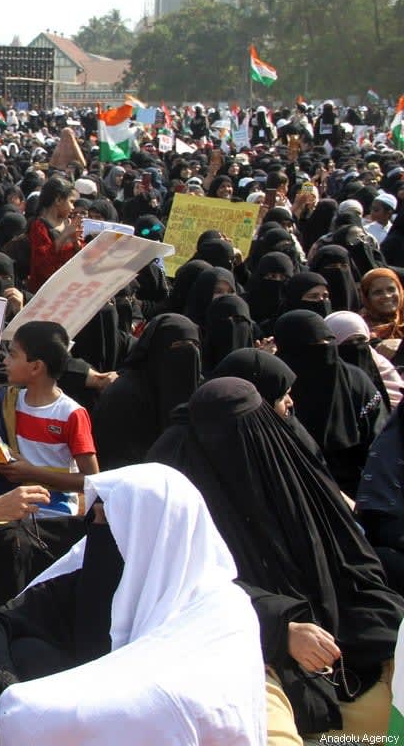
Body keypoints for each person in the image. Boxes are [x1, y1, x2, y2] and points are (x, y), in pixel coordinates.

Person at [148, 379, 403, 740]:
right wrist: (281, 629)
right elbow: (186, 586)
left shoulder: (297, 478)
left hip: (343, 643)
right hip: (247, 652)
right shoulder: (184, 492)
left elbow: (357, 570)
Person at [0, 463, 266, 746]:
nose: (96, 528)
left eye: (108, 521)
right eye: (96, 517)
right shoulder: (91, 576)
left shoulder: (223, 614)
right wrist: (5, 690)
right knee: (28, 651)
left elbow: (159, 709)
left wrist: (29, 710)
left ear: (153, 534)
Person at [0, 321, 98, 515]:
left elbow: (91, 481)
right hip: (10, 511)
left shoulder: (71, 414)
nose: (5, 362)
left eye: (12, 355)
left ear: (36, 367)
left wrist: (31, 472)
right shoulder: (8, 401)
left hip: (54, 516)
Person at [274, 310, 387, 496]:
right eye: (312, 346)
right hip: (298, 491)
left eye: (328, 342)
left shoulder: (356, 381)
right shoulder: (276, 392)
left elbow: (379, 443)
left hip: (362, 490)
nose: (325, 350)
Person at [91, 313, 201, 470]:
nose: (189, 352)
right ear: (156, 348)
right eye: (178, 345)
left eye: (194, 345)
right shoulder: (122, 396)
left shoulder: (199, 395)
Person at [27, 177, 82, 291]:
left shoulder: (69, 223)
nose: (73, 207)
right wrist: (64, 235)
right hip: (47, 291)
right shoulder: (39, 226)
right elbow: (43, 266)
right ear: (58, 200)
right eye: (71, 202)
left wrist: (76, 242)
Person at [359, 268, 404, 361]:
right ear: (367, 298)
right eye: (378, 292)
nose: (387, 296)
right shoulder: (359, 328)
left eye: (391, 289)